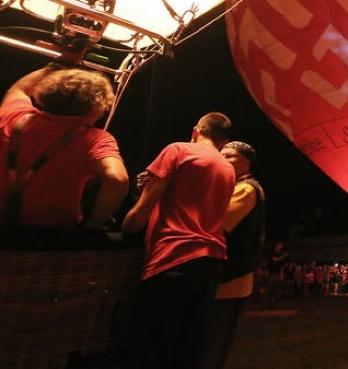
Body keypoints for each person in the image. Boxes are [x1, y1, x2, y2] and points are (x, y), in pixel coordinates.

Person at [122, 112, 236, 368]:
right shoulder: (228, 168)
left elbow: (141, 212)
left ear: (196, 129)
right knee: (188, 347)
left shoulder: (178, 150)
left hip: (172, 257)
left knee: (151, 347)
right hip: (211, 261)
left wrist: (127, 225)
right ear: (223, 141)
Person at [0, 65, 128, 234]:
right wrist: (93, 226)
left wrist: (58, 64)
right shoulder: (95, 139)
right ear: (96, 107)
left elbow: (19, 88)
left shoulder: (15, 115)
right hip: (50, 236)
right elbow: (117, 179)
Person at [203, 141, 266, 369]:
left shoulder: (246, 189)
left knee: (214, 337)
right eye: (221, 154)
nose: (223, 159)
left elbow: (215, 222)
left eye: (230, 156)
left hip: (232, 277)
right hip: (225, 274)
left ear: (246, 162)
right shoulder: (232, 187)